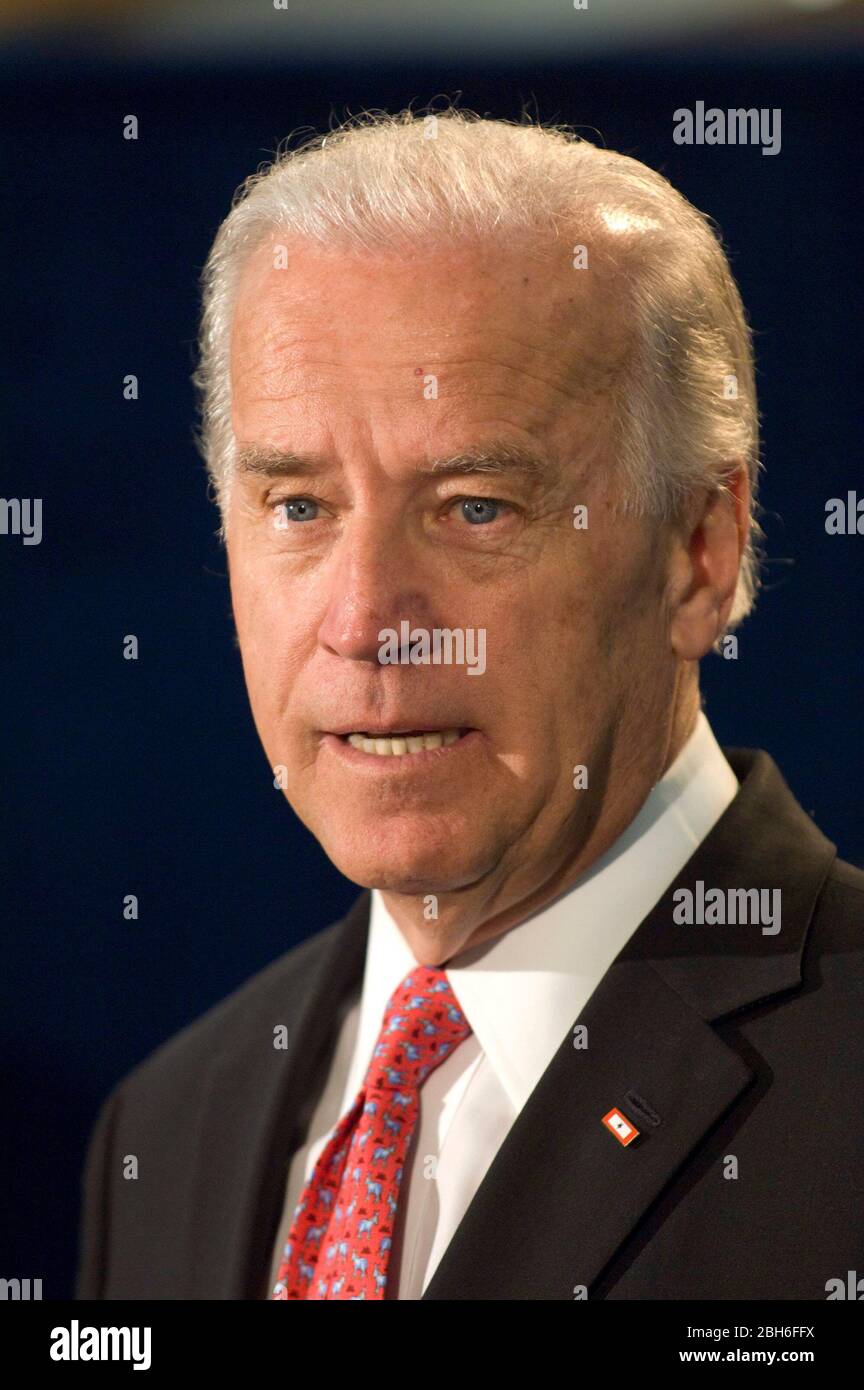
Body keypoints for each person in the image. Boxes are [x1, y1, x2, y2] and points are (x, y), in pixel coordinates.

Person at [76, 109, 864, 1301]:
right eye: (299, 506)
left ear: (700, 549)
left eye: (475, 506)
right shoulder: (168, 1127)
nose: (364, 620)